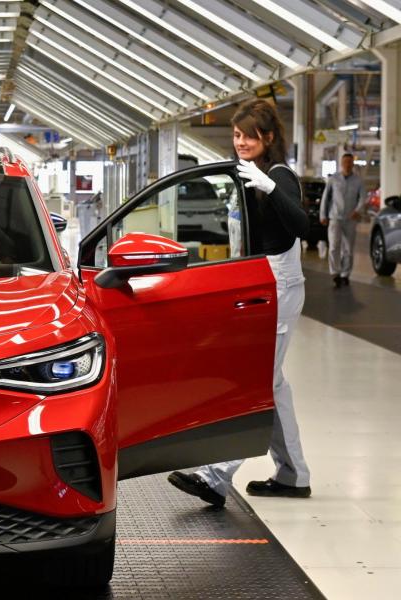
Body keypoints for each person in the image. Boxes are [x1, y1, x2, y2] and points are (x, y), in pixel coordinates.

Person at [168, 99, 312, 507]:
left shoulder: (278, 175)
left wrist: (269, 188)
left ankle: (216, 478)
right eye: (236, 135)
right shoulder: (245, 174)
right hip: (257, 284)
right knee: (273, 383)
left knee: (256, 382)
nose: (241, 142)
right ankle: (293, 474)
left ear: (268, 137)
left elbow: (302, 225)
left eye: (249, 135)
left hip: (280, 287)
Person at [320, 153, 365, 288]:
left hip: (351, 219)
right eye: (345, 162)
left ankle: (345, 274)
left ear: (352, 164)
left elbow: (363, 197)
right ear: (341, 163)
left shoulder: (358, 181)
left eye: (350, 162)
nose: (347, 164)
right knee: (334, 246)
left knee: (348, 249)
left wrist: (358, 210)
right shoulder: (334, 179)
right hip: (335, 217)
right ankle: (335, 273)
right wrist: (323, 215)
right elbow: (325, 198)